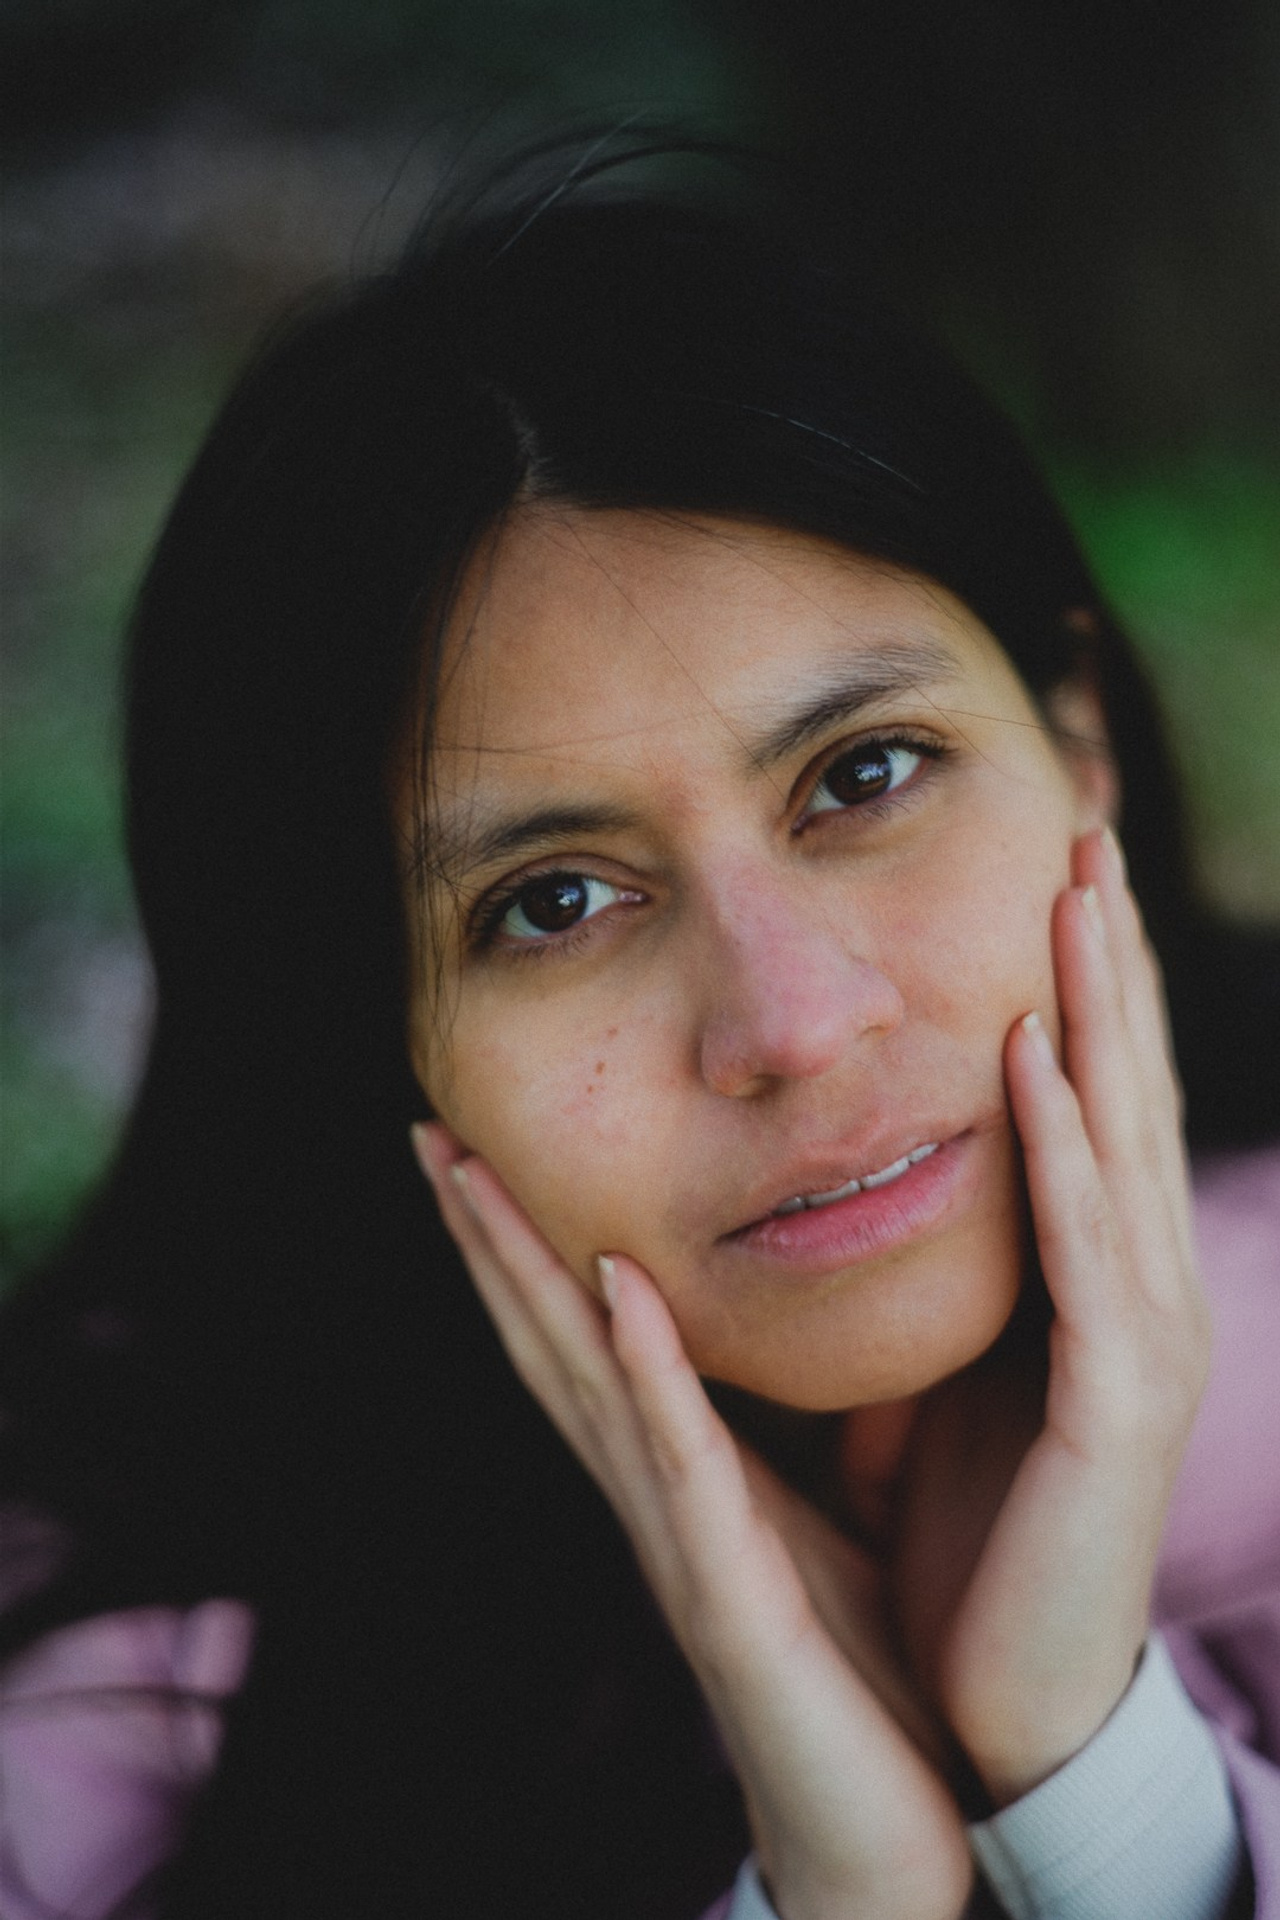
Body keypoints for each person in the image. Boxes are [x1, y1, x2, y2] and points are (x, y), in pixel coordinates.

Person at [1, 139, 1277, 1920]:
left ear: (1076, 740)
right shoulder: (107, 1718)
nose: (798, 1024)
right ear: (372, 1030)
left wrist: (1096, 1778)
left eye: (867, 775)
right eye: (552, 903)